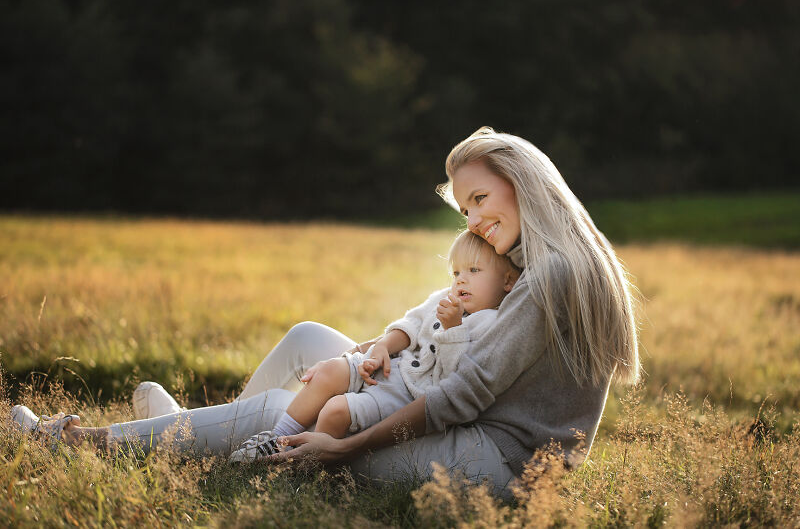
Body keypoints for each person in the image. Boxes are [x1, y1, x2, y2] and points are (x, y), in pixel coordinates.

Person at [11, 127, 640, 496]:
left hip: (498, 466)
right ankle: (208, 441)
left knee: (286, 411)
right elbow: (434, 339)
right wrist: (374, 351)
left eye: (480, 199)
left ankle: (74, 442)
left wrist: (347, 446)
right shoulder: (531, 259)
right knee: (312, 341)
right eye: (465, 211)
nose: (474, 221)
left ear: (523, 182)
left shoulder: (552, 278)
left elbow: (462, 400)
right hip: (465, 423)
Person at [225, 230, 519, 462]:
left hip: (407, 397)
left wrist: (453, 328)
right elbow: (412, 324)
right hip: (392, 367)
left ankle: (304, 466)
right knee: (328, 371)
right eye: (456, 273)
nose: (461, 280)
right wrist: (382, 346)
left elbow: (457, 378)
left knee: (335, 411)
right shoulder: (444, 297)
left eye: (474, 271)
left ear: (507, 281)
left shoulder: (492, 323)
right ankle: (274, 439)